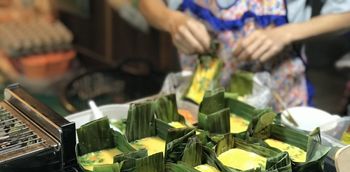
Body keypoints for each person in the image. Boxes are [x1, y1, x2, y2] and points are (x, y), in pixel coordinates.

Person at [138, 0, 350, 111]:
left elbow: (345, 13)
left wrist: (286, 33)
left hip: (279, 101)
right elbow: (148, 3)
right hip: (200, 100)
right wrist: (171, 20)